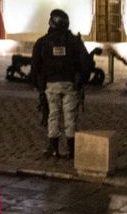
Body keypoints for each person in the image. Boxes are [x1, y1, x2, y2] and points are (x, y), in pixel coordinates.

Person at [30, 9, 91, 159]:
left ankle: (54, 149)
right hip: (70, 84)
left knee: (53, 115)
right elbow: (86, 63)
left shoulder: (43, 42)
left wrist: (38, 85)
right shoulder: (75, 42)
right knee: (70, 116)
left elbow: (35, 66)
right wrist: (82, 80)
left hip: (51, 84)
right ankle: (72, 150)